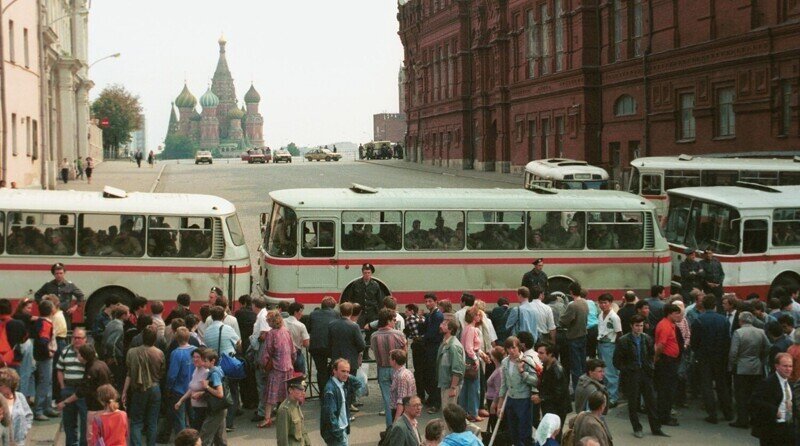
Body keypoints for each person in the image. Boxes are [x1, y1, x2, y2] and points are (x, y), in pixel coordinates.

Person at [613, 314, 667, 438]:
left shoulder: (647, 338)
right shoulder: (624, 341)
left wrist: (650, 367)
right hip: (632, 374)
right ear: (631, 326)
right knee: (633, 403)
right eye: (637, 326)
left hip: (645, 373)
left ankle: (656, 428)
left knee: (651, 401)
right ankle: (637, 428)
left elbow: (651, 355)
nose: (639, 328)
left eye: (641, 326)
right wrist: (628, 370)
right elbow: (617, 362)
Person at [690, 294, 733, 424]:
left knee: (707, 386)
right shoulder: (723, 320)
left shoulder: (698, 320)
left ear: (703, 305)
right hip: (720, 357)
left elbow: (694, 342)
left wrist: (697, 352)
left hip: (704, 357)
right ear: (715, 305)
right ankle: (728, 413)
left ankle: (712, 414)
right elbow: (727, 340)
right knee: (722, 386)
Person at [728, 311, 770, 429]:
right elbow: (768, 347)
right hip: (756, 366)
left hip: (741, 367)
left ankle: (742, 419)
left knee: (741, 395)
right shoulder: (760, 332)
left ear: (740, 321)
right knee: (754, 394)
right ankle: (754, 418)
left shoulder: (738, 333)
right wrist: (760, 358)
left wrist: (731, 366)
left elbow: (733, 352)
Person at [123, 326, 164, 446]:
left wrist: (124, 391)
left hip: (138, 389)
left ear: (142, 337)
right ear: (155, 339)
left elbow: (129, 373)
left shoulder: (132, 352)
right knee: (152, 421)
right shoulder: (159, 353)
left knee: (136, 421)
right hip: (155, 388)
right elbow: (162, 372)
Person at [494, 336, 538, 446]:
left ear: (519, 347)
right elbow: (504, 384)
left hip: (524, 399)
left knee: (525, 432)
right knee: (513, 432)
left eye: (513, 348)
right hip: (510, 400)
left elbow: (536, 381)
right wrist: (499, 405)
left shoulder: (527, 361)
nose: (511, 351)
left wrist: (523, 373)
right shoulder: (505, 362)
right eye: (508, 348)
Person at [204, 305, 241, 431]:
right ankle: (229, 422)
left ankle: (220, 421)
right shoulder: (228, 328)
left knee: (218, 392)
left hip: (214, 365)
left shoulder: (207, 331)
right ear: (224, 316)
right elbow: (238, 342)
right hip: (228, 364)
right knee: (232, 391)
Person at [259, 310, 296, 429]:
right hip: (288, 366)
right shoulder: (286, 331)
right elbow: (293, 350)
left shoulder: (271, 334)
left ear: (272, 321)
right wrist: (291, 362)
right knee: (287, 394)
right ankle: (289, 417)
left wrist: (263, 365)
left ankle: (267, 418)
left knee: (271, 395)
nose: (267, 322)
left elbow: (267, 352)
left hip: (276, 368)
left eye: (268, 320)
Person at [371, 309, 408, 427]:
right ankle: (401, 426)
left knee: (388, 401)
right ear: (388, 320)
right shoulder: (398, 334)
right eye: (393, 320)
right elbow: (405, 352)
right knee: (401, 399)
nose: (395, 321)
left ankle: (390, 426)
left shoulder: (374, 336)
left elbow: (373, 349)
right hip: (397, 369)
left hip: (382, 369)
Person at [750, 353, 796, 445]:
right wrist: (773, 410)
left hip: (788, 427)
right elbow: (754, 401)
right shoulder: (768, 383)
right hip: (772, 428)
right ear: (777, 366)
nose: (788, 369)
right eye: (785, 366)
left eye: (790, 366)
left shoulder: (790, 384)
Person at [56, 327, 88, 446]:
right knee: (69, 421)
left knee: (85, 421)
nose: (76, 340)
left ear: (85, 339)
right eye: (74, 337)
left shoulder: (89, 352)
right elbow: (59, 369)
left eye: (79, 338)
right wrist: (63, 387)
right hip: (68, 388)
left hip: (83, 390)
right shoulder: (65, 351)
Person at [320, 358, 362, 446]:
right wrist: (338, 434)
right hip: (337, 433)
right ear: (334, 370)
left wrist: (346, 375)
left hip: (343, 429)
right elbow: (330, 416)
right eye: (343, 371)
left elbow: (359, 383)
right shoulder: (330, 390)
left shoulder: (343, 384)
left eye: (348, 371)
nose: (346, 374)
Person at [535, 342, 571, 440]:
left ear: (550, 354)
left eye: (541, 353)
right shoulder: (547, 366)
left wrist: (541, 398)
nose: (538, 355)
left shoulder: (556, 370)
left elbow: (559, 393)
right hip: (550, 408)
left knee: (554, 436)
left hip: (557, 409)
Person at [654, 304, 682, 426]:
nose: (678, 315)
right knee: (666, 390)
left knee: (668, 389)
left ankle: (665, 414)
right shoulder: (665, 326)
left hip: (670, 361)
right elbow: (660, 345)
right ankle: (663, 417)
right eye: (676, 313)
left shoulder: (670, 325)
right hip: (666, 362)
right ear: (669, 314)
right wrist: (656, 358)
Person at [167, 327, 197, 435]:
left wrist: (168, 387)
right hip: (194, 388)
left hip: (179, 390)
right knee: (193, 417)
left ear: (176, 338)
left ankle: (184, 440)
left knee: (180, 419)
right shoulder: (195, 350)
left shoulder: (176, 353)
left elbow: (172, 375)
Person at [34, 262, 85, 327]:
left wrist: (74, 307)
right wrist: (43, 305)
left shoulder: (70, 285)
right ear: (53, 274)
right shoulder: (48, 285)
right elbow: (37, 295)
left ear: (64, 273)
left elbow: (81, 296)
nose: (59, 275)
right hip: (52, 314)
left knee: (65, 333)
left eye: (61, 273)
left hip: (65, 314)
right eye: (57, 273)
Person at [560, 282, 589, 390]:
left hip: (574, 337)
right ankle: (585, 387)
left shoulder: (572, 305)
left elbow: (564, 320)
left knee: (575, 367)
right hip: (583, 335)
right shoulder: (585, 303)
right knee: (583, 365)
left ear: (571, 292)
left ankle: (578, 390)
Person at [31, 299, 56, 421]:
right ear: (52, 310)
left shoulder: (40, 321)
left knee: (47, 382)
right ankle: (39, 410)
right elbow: (43, 340)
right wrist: (49, 352)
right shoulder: (46, 323)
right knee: (44, 382)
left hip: (40, 356)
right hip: (44, 357)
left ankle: (47, 407)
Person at [458, 306, 484, 422]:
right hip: (471, 358)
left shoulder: (466, 328)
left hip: (467, 359)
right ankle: (473, 412)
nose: (480, 316)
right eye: (478, 314)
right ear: (474, 317)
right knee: (474, 387)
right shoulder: (472, 329)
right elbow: (469, 347)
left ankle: (464, 411)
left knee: (466, 386)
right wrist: (475, 359)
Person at [308, 296, 338, 393]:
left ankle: (323, 394)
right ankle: (333, 391)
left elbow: (309, 329)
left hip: (316, 346)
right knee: (336, 367)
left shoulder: (313, 314)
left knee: (321, 371)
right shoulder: (336, 314)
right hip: (331, 347)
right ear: (333, 306)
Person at [174, 348, 209, 431]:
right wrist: (180, 401)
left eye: (198, 357)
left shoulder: (206, 372)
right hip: (195, 408)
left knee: (197, 434)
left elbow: (209, 391)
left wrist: (200, 393)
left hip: (203, 409)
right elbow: (191, 389)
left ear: (203, 358)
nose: (195, 359)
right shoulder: (196, 370)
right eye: (194, 357)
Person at [199, 349, 227, 446]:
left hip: (216, 408)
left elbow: (220, 393)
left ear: (213, 361)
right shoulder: (218, 370)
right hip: (220, 408)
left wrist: (206, 386)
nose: (203, 363)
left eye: (205, 361)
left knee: (206, 434)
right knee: (219, 438)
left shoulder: (214, 374)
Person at [422, 294, 444, 413]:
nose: (427, 303)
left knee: (434, 375)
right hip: (429, 347)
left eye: (430, 301)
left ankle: (436, 402)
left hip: (434, 347)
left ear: (436, 302)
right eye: (426, 301)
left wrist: (422, 338)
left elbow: (432, 332)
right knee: (429, 374)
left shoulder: (437, 315)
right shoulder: (430, 314)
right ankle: (432, 398)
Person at [436, 319, 465, 409]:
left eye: (444, 324)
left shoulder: (453, 346)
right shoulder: (445, 343)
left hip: (450, 385)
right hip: (446, 384)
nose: (440, 325)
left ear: (450, 329)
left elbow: (457, 369)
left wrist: (453, 388)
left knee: (448, 413)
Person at [275, 373, 311, 446]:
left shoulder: (296, 403)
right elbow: (282, 439)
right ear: (290, 390)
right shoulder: (284, 410)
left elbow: (302, 430)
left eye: (304, 390)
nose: (303, 393)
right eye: (300, 390)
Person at [0, 368, 32, 446]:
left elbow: (29, 415)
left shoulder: (20, 396)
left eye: (0, 385)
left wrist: (25, 430)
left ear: (9, 385)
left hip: (19, 441)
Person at [283, 302, 309, 375]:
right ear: (295, 312)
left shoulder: (282, 322)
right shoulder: (301, 325)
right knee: (299, 376)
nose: (302, 314)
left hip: (284, 353)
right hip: (297, 353)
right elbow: (306, 343)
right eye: (300, 311)